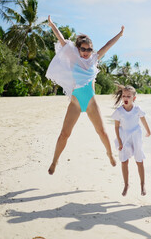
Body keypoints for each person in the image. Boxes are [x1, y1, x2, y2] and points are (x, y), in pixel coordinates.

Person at [46, 15, 124, 175]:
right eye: (83, 49)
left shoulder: (94, 59)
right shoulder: (73, 56)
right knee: (64, 134)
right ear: (78, 49)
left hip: (90, 102)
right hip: (75, 103)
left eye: (89, 49)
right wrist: (52, 25)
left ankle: (109, 154)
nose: (87, 52)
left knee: (102, 131)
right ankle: (54, 161)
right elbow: (61, 39)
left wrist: (120, 34)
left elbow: (108, 45)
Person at [112, 85, 151, 196]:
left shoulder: (137, 109)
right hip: (124, 137)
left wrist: (148, 131)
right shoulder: (119, 111)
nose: (126, 98)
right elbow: (116, 127)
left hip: (136, 136)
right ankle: (126, 184)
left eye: (129, 96)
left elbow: (143, 120)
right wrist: (119, 141)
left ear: (134, 98)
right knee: (124, 161)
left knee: (139, 160)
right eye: (124, 95)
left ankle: (142, 184)